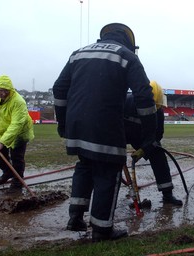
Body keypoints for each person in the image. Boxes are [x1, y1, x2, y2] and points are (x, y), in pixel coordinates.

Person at [53, 23, 157, 242]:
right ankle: (102, 229)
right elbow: (145, 97)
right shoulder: (127, 56)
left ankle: (75, 217)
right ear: (129, 42)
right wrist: (149, 137)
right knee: (108, 172)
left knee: (85, 166)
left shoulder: (78, 54)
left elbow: (59, 89)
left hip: (77, 125)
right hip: (105, 125)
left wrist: (63, 123)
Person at [124, 81, 183, 206]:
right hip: (121, 134)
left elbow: (158, 134)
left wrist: (145, 149)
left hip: (143, 137)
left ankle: (167, 194)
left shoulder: (158, 109)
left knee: (158, 155)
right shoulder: (125, 103)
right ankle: (109, 196)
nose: (155, 109)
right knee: (112, 162)